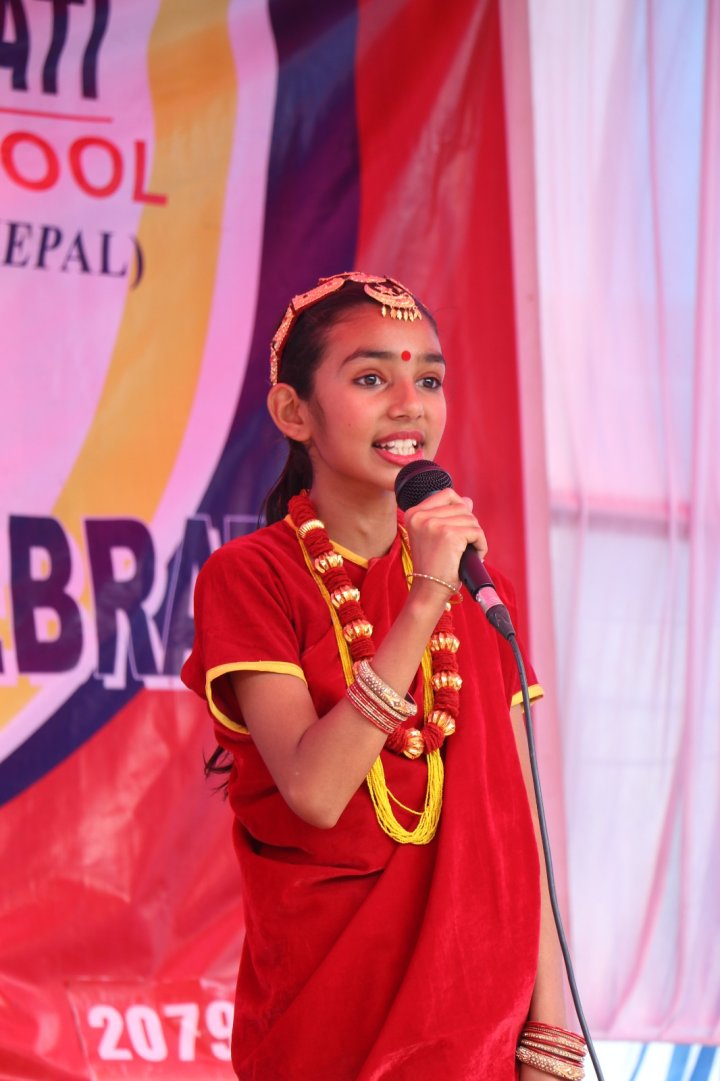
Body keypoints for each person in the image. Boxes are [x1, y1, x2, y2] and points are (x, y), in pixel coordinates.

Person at [181, 272, 585, 1081]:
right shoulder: (252, 577)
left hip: (481, 1033)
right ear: (294, 411)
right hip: (329, 1030)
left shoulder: (481, 590)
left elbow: (521, 823)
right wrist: (426, 595)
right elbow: (316, 789)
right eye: (371, 378)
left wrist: (552, 1027)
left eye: (429, 380)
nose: (410, 405)